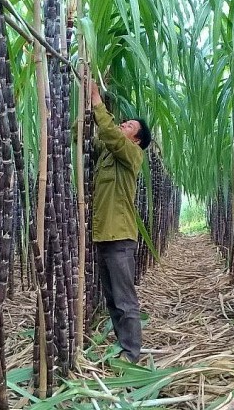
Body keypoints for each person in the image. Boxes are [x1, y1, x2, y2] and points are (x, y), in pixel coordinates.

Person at [89, 81, 151, 363]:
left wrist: (97, 102)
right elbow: (100, 138)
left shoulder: (132, 155)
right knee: (112, 299)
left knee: (125, 300)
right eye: (123, 122)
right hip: (103, 236)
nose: (122, 126)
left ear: (135, 140)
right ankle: (122, 346)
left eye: (128, 126)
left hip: (120, 238)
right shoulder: (108, 155)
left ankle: (132, 354)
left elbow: (111, 136)